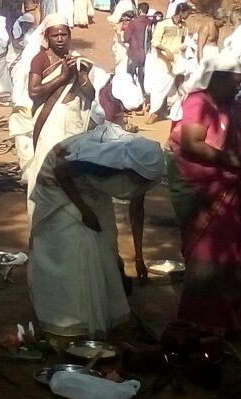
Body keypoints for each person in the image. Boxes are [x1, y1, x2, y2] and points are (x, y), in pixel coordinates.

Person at [29, 126, 163, 337]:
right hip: (57, 183)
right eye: (138, 180)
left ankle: (106, 310)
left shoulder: (142, 167)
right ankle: (70, 319)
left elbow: (137, 210)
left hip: (89, 186)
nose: (141, 184)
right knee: (71, 246)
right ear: (127, 169)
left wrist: (138, 258)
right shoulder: (103, 162)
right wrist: (84, 211)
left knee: (104, 239)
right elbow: (61, 172)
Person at [166, 51, 241, 331]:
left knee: (233, 252)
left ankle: (228, 317)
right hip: (204, 189)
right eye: (235, 82)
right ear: (216, 79)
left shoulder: (236, 107)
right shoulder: (198, 103)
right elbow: (192, 143)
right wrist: (232, 161)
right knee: (208, 254)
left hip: (229, 189)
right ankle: (199, 321)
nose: (239, 87)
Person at [25, 16, 95, 217]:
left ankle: (72, 212)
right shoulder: (41, 59)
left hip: (73, 118)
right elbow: (34, 92)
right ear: (47, 37)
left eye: (64, 34)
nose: (60, 39)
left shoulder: (76, 59)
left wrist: (81, 76)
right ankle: (45, 214)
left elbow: (90, 95)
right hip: (50, 121)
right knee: (50, 164)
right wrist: (62, 77)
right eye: (55, 35)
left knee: (71, 166)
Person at [146, 3, 190, 120]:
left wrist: (183, 48)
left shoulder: (184, 26)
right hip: (163, 60)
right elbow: (155, 42)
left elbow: (183, 41)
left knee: (174, 88)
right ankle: (153, 113)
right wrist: (166, 52)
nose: (188, 15)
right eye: (187, 13)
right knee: (159, 87)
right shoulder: (163, 24)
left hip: (177, 60)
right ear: (181, 12)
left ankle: (174, 112)